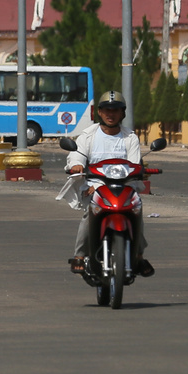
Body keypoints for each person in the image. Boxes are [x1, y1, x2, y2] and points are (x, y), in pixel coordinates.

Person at [65, 92, 153, 277]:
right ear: (99, 112)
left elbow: (135, 162)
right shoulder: (88, 135)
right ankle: (80, 255)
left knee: (137, 211)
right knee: (89, 216)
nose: (110, 114)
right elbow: (77, 154)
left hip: (126, 185)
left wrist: (141, 170)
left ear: (122, 113)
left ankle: (138, 255)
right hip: (95, 185)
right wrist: (76, 165)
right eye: (106, 110)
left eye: (115, 110)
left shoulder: (130, 137)